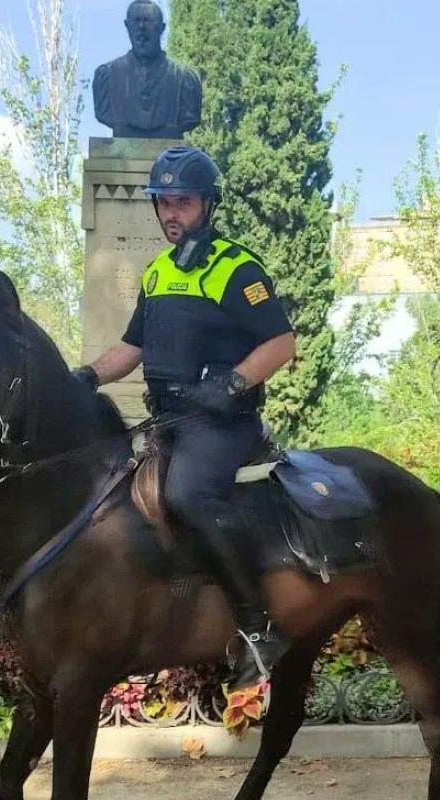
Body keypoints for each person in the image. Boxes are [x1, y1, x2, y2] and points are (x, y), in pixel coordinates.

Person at [76, 145, 297, 691]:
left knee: (187, 496)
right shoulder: (156, 274)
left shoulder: (236, 267)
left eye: (184, 202)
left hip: (222, 424)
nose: (172, 212)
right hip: (169, 420)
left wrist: (232, 383)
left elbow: (282, 342)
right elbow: (132, 347)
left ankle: (259, 623)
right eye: (164, 203)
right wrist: (83, 378)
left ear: (207, 205)